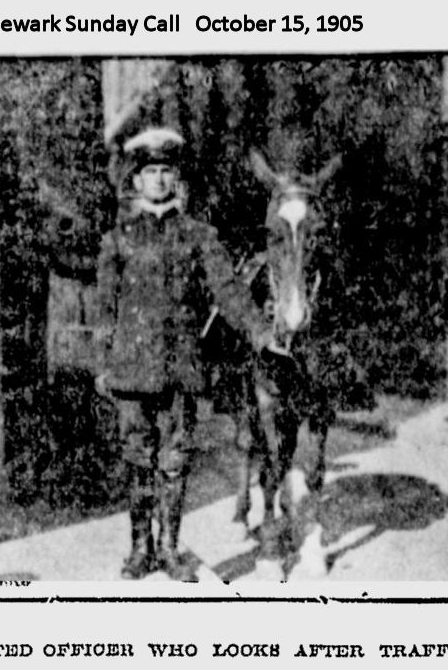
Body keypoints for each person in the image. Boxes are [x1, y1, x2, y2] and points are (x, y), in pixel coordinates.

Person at [95, 128, 271, 581]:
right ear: (135, 182)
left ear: (176, 179)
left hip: (179, 368)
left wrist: (258, 330)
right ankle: (140, 548)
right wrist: (102, 362)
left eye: (165, 172)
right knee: (137, 458)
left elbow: (228, 291)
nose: (157, 180)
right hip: (131, 370)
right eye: (149, 172)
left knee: (174, 459)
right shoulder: (118, 239)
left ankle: (171, 549)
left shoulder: (199, 236)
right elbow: (105, 306)